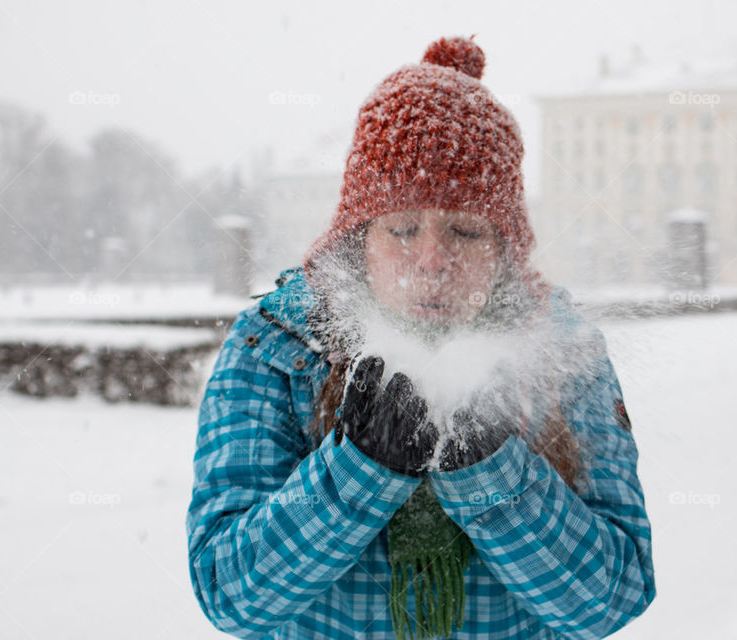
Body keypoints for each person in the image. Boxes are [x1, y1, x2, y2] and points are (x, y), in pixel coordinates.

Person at [186, 35, 655, 640]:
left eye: (464, 231)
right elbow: (230, 594)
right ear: (359, 241)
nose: (433, 261)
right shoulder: (275, 348)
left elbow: (612, 600)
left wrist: (491, 474)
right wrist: (361, 468)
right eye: (404, 228)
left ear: (504, 251)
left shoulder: (563, 355)